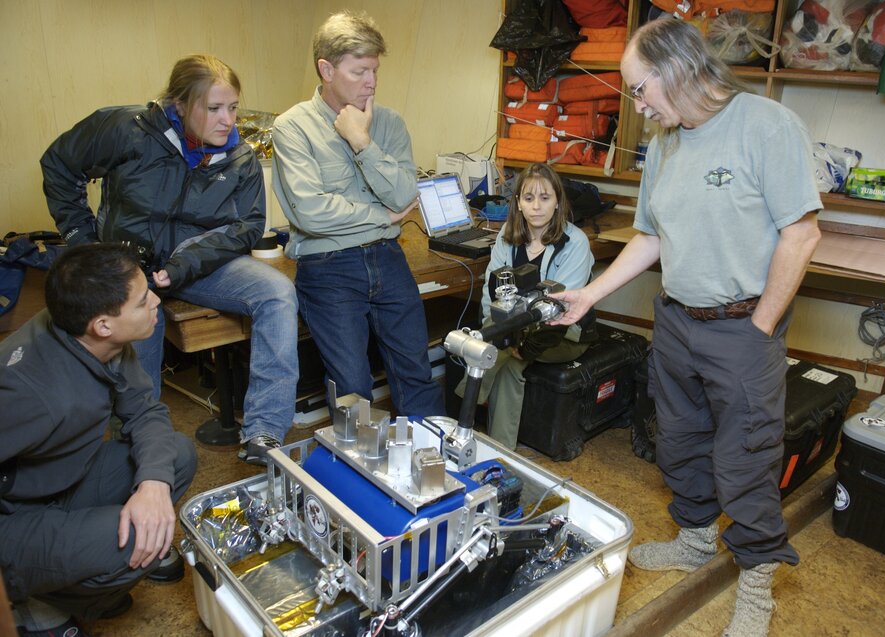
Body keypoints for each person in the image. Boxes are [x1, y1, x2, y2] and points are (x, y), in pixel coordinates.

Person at [550, 18, 822, 637]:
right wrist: (590, 293)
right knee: (678, 439)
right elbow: (651, 234)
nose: (638, 106)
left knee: (746, 458)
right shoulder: (668, 143)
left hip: (742, 326)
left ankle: (756, 583)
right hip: (675, 319)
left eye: (640, 90)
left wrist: (760, 328)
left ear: (675, 70)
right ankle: (697, 540)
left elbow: (802, 233)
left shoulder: (765, 125)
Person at [40, 54, 299, 465]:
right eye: (213, 109)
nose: (228, 120)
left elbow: (247, 227)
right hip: (129, 269)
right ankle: (133, 449)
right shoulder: (125, 129)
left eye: (232, 107)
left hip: (197, 264)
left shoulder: (241, 157)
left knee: (279, 292)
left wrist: (184, 264)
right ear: (179, 104)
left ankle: (264, 431)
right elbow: (58, 164)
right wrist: (82, 242)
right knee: (139, 325)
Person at [0, 243, 197, 637]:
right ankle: (38, 601)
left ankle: (76, 571)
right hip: (15, 520)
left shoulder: (94, 339)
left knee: (176, 454)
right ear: (103, 324)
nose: (156, 301)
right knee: (138, 540)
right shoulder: (28, 394)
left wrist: (153, 484)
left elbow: (144, 411)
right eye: (143, 301)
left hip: (62, 483)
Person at [271, 11, 444, 418]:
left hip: (387, 258)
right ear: (326, 69)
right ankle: (358, 472)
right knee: (352, 387)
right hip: (327, 266)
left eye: (375, 70)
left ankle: (429, 468)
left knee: (416, 371)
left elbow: (405, 193)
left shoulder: (389, 123)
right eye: (359, 71)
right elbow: (311, 213)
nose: (371, 82)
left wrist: (362, 141)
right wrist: (382, 217)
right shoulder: (292, 127)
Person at [458, 163, 596, 449]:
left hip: (561, 333)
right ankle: (501, 455)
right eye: (529, 198)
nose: (536, 207)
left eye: (545, 198)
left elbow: (559, 308)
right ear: (518, 203)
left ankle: (463, 406)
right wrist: (495, 327)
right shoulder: (507, 235)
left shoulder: (576, 243)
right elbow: (490, 291)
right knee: (508, 364)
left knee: (488, 352)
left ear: (558, 202)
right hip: (510, 329)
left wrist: (510, 338)